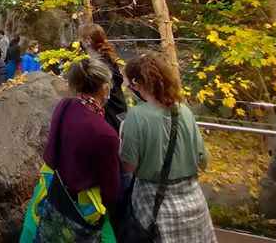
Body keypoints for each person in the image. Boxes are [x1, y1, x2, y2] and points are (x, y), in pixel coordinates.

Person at [119, 53, 215, 243]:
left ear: (137, 84)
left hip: (155, 206)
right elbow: (203, 160)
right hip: (194, 203)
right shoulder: (184, 111)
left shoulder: (136, 116)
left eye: (129, 85)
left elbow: (128, 167)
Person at [31, 57, 121, 242]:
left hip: (55, 195)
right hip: (82, 210)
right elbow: (110, 189)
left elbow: (52, 152)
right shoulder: (105, 134)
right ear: (104, 87)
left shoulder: (64, 106)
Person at [79, 24, 127, 132]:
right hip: (118, 109)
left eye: (81, 39)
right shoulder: (107, 58)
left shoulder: (98, 65)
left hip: (109, 114)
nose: (80, 43)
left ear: (87, 41)